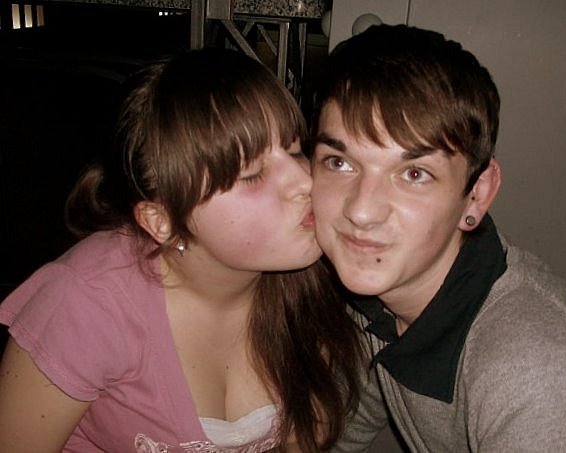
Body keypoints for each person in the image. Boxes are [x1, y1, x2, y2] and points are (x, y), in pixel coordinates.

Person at [0, 48, 362, 452]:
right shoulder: (84, 304)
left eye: (295, 150)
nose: (305, 181)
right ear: (163, 222)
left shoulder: (311, 276)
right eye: (252, 175)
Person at [309, 24, 566, 451]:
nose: (361, 211)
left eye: (414, 174)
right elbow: (341, 430)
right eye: (339, 162)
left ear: (477, 194)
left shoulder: (539, 379)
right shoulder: (384, 291)